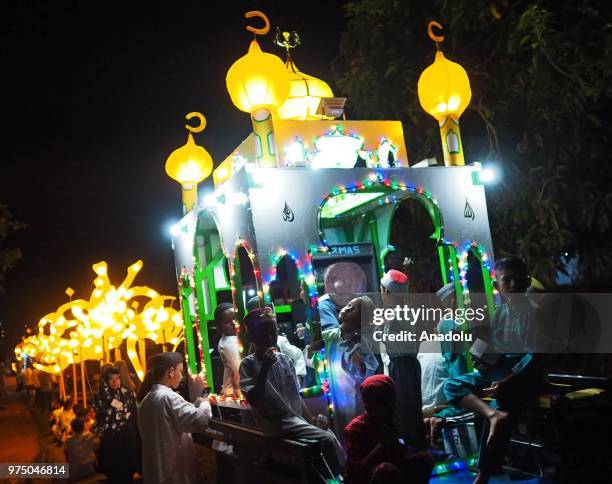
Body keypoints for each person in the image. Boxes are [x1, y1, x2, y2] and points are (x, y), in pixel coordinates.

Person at [443, 256, 545, 484]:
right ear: (496, 286)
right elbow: (497, 351)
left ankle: (483, 474)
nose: (512, 286)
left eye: (517, 280)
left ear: (526, 281)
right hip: (499, 372)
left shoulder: (533, 313)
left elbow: (534, 357)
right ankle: (492, 414)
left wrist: (508, 379)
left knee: (499, 401)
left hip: (522, 378)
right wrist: (483, 359)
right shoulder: (500, 314)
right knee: (453, 385)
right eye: (506, 280)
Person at [239, 307, 342, 478]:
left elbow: (296, 397)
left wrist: (311, 421)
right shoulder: (248, 365)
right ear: (251, 338)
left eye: (273, 332)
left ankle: (331, 476)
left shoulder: (284, 359)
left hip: (294, 420)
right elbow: (255, 401)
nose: (271, 338)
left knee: (328, 436)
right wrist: (264, 368)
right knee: (327, 440)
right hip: (275, 424)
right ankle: (335, 479)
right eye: (264, 334)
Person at [307, 296, 379, 446]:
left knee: (354, 438)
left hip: (353, 402)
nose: (347, 308)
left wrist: (361, 366)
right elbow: (313, 361)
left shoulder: (362, 344)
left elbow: (368, 372)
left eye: (355, 309)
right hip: (333, 400)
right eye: (348, 304)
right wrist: (312, 351)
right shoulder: (328, 337)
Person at [344, 375, 434, 484]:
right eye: (387, 404)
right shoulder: (355, 428)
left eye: (393, 402)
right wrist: (380, 449)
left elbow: (399, 457)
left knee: (425, 459)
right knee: (386, 471)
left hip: (394, 473)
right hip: (369, 478)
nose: (393, 407)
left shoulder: (387, 420)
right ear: (371, 405)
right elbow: (354, 472)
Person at [138, 352, 212, 484]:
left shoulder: (147, 400)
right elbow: (200, 420)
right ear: (171, 372)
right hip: (173, 472)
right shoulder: (169, 398)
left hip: (156, 471)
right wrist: (205, 402)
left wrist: (195, 405)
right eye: (180, 371)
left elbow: (174, 416)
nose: (181, 376)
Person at [380, 269, 427, 450]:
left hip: (401, 366)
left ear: (388, 292)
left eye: (382, 290)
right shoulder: (403, 310)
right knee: (412, 406)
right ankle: (418, 445)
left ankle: (413, 448)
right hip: (409, 365)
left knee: (405, 408)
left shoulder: (393, 314)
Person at [94, 366, 139, 482]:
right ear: (106, 380)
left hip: (127, 434)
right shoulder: (101, 395)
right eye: (111, 379)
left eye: (117, 378)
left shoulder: (128, 394)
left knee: (128, 467)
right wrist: (119, 407)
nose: (115, 382)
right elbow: (101, 414)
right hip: (111, 436)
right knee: (113, 469)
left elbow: (133, 412)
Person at [318, 262, 368, 331]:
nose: (349, 283)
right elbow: (333, 337)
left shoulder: (359, 300)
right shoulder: (323, 305)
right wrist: (348, 325)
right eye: (343, 280)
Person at [215, 303, 242, 396]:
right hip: (234, 392)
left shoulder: (235, 338)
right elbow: (240, 369)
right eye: (227, 322)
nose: (233, 323)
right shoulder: (228, 344)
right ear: (219, 327)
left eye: (235, 318)